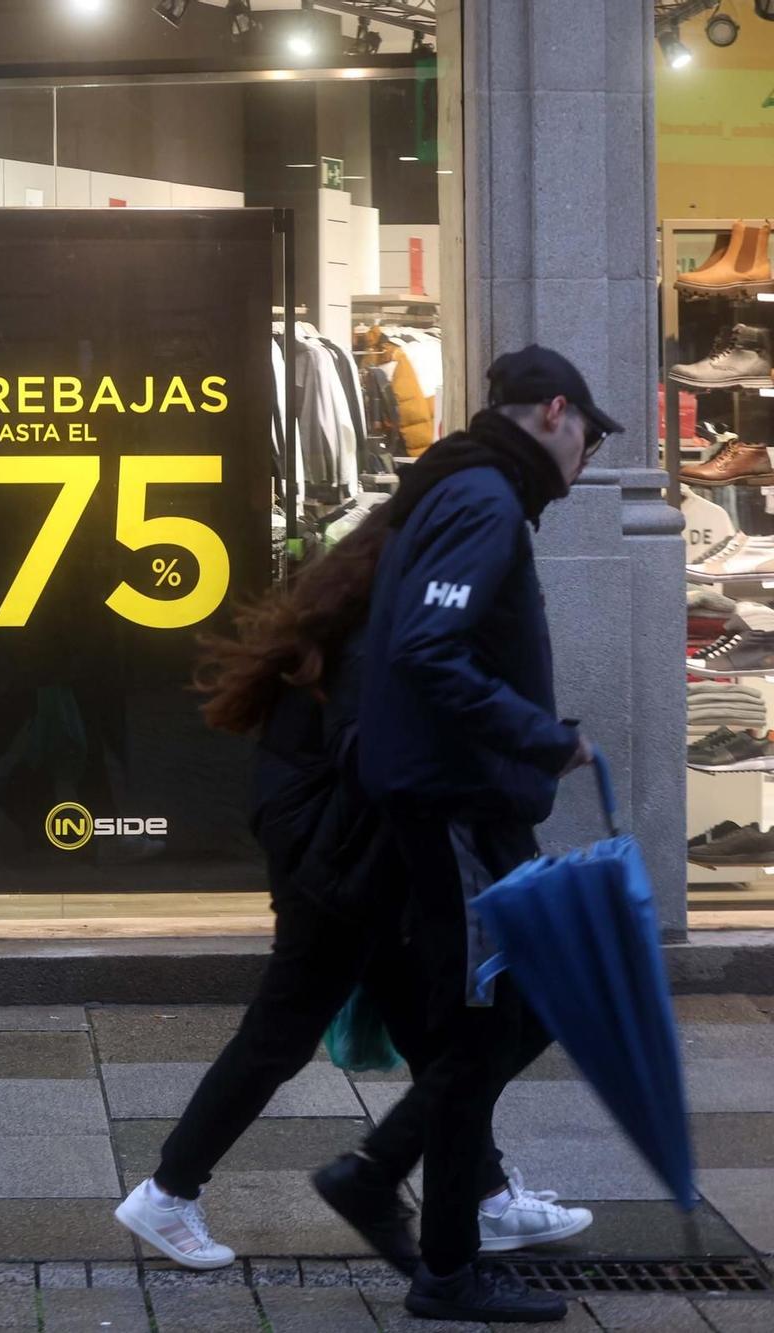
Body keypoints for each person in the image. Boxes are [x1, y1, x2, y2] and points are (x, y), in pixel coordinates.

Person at [113, 507, 589, 1276]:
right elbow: (376, 755)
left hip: (352, 864)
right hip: (344, 872)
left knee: (444, 1043)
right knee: (297, 1034)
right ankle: (169, 1191)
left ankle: (485, 1195)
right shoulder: (378, 638)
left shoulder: (363, 616)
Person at [358, 346, 620, 1323]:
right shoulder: (480, 500)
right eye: (588, 437)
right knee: (485, 1024)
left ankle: (386, 1174)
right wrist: (538, 737)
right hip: (456, 803)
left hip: (458, 799)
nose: (585, 458)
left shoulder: (460, 489)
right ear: (553, 411)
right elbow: (428, 647)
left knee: (521, 1005)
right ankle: (445, 1264)